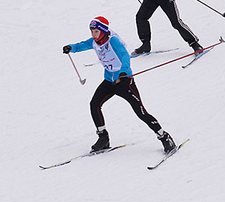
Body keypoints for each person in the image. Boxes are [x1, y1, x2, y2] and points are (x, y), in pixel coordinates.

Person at [63, 17, 176, 154]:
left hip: (123, 81)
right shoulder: (94, 42)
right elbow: (81, 45)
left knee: (140, 112)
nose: (93, 34)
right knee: (94, 104)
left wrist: (124, 73)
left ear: (103, 30)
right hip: (109, 81)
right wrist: (71, 48)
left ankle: (165, 137)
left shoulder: (113, 41)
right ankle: (103, 138)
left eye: (96, 31)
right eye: (92, 31)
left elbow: (124, 56)